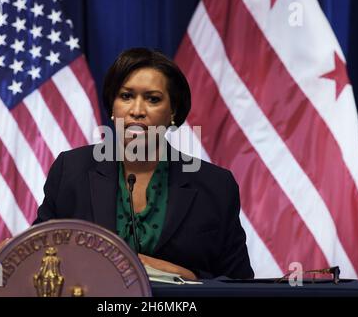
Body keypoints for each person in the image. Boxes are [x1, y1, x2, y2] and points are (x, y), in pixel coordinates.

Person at [34, 48, 254, 280]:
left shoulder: (215, 185)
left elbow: (239, 284)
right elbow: (39, 256)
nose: (137, 111)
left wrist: (184, 275)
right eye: (126, 96)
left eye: (153, 99)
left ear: (173, 111)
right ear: (113, 106)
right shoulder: (71, 170)